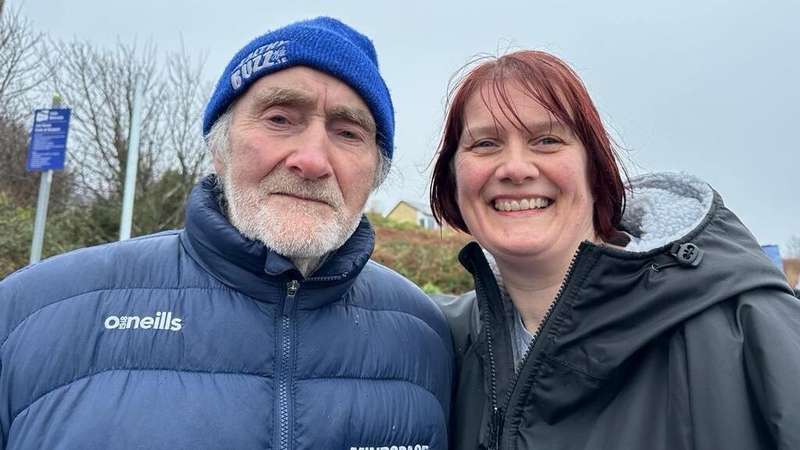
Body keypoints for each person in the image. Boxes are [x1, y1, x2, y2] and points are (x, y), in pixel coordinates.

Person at [0, 17, 452, 449]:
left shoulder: (426, 337)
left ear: (375, 173)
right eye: (279, 119)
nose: (312, 160)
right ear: (220, 150)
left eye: (349, 132)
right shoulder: (27, 314)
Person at [429, 50, 800, 449]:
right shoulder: (438, 340)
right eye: (485, 143)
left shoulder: (745, 324)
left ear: (595, 169)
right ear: (453, 178)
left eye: (548, 140)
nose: (516, 168)